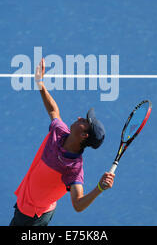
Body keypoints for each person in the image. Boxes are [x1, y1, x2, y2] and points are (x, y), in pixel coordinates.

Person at [9, 58, 115, 226]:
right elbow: (53, 110)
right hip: (25, 202)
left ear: (84, 136)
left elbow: (78, 205)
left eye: (85, 122)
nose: (80, 117)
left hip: (34, 216)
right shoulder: (60, 131)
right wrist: (40, 83)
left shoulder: (73, 168)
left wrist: (99, 188)